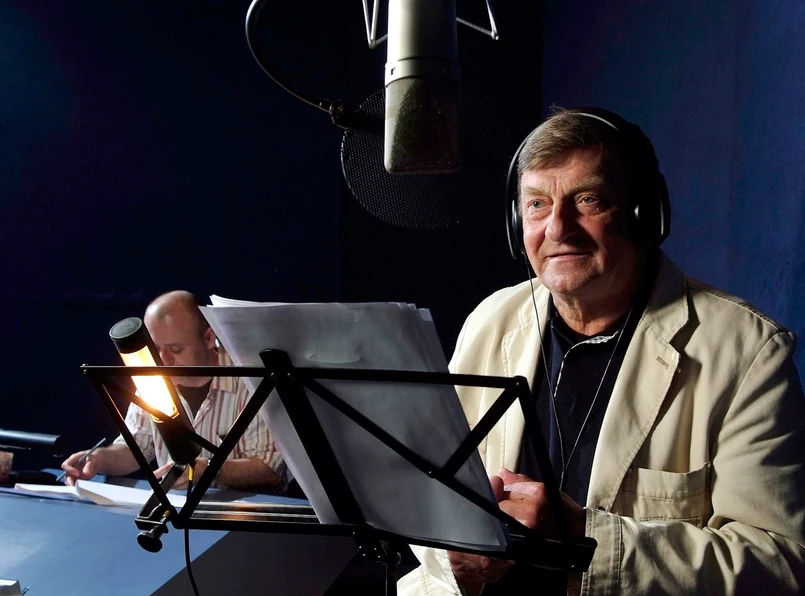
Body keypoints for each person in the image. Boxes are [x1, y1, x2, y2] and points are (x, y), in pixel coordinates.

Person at [399, 108, 805, 594]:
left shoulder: (748, 351)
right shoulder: (492, 319)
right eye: (537, 204)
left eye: (587, 200)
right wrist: (455, 560)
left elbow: (781, 563)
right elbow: (430, 497)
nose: (557, 229)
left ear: (644, 215)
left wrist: (584, 539)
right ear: (515, 223)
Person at [61, 290, 285, 491]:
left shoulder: (250, 382)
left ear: (209, 338)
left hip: (243, 511)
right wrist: (98, 460)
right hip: (177, 511)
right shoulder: (152, 379)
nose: (164, 360)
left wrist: (209, 470)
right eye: (156, 348)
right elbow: (134, 450)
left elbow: (271, 469)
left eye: (176, 349)